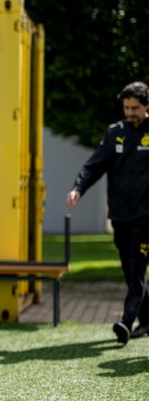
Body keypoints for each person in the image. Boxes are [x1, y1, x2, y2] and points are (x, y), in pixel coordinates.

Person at [67, 81, 149, 345]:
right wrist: (78, 188)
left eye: (135, 108)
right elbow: (94, 166)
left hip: (146, 216)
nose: (130, 113)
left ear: (147, 106)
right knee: (129, 268)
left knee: (137, 267)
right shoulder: (116, 133)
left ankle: (126, 321)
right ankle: (147, 319)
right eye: (126, 107)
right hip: (121, 215)